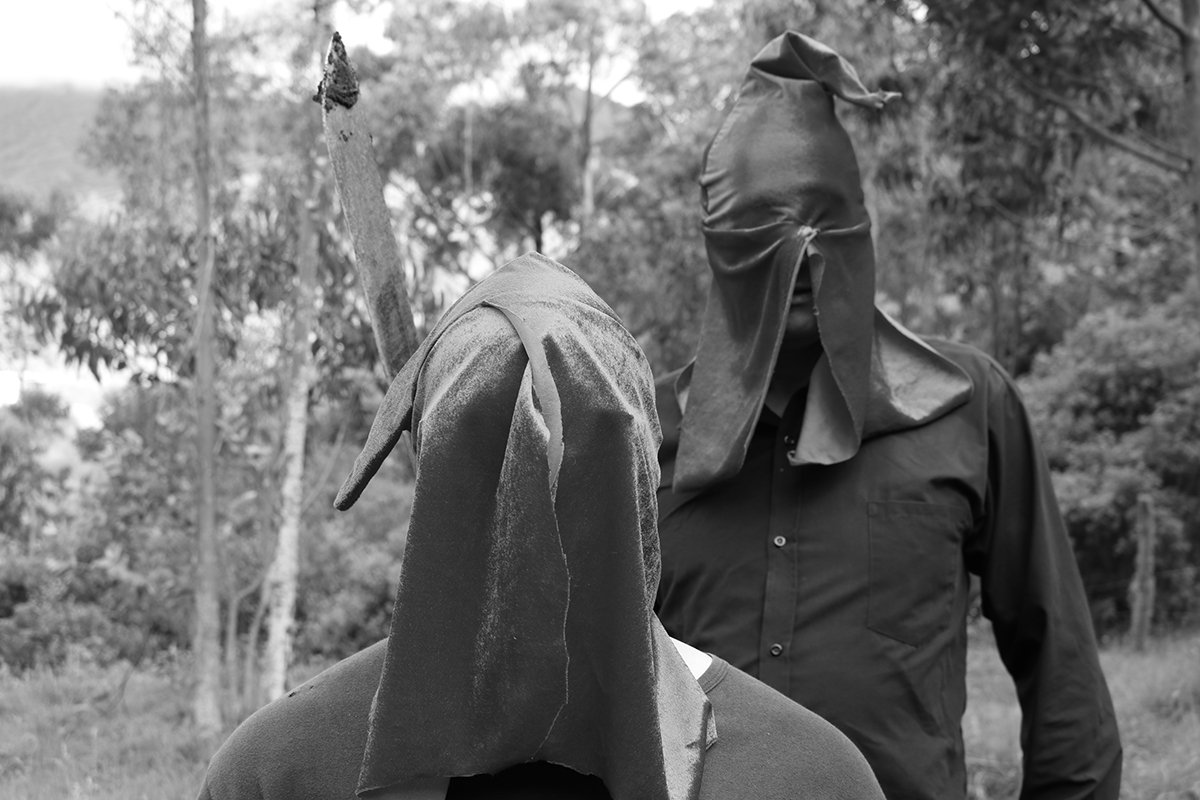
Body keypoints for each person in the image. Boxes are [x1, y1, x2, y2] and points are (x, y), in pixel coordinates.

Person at [196, 253, 885, 800]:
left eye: (574, 477)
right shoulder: (281, 776)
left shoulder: (809, 780)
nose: (537, 535)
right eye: (494, 464)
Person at [653, 31, 1123, 800]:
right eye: (765, 231)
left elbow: (1059, 662)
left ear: (861, 230)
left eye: (823, 224)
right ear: (719, 248)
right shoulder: (641, 434)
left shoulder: (968, 407)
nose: (801, 257)